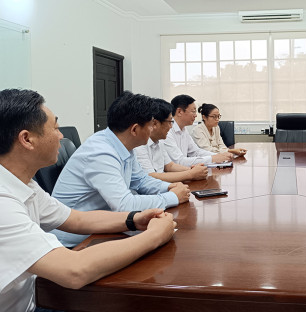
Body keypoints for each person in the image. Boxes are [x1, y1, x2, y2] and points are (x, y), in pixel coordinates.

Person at [0, 89, 176, 312]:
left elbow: (77, 219)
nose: (61, 136)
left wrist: (134, 219)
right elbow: (74, 271)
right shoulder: (3, 201)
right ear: (27, 139)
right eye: (55, 128)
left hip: (37, 294)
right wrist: (154, 235)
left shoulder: (25, 183)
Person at [51, 91, 190, 248]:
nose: (152, 129)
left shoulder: (124, 145)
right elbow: (124, 205)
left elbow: (141, 180)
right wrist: (171, 197)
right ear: (135, 130)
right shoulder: (100, 152)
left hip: (103, 228)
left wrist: (169, 187)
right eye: (151, 125)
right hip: (75, 242)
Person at [134, 98, 208, 182]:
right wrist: (190, 174)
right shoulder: (139, 144)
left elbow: (169, 165)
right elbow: (151, 177)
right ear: (155, 123)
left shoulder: (160, 141)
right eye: (169, 122)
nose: (171, 126)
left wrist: (191, 170)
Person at [164, 94, 233, 166]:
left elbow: (195, 152)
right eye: (193, 111)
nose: (196, 115)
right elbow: (179, 161)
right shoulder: (167, 131)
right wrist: (213, 158)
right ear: (179, 112)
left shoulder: (184, 130)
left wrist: (219, 156)